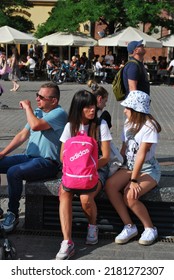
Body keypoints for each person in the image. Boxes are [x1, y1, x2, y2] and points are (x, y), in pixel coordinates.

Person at [0, 83, 68, 232]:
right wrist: (3, 153)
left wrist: (28, 108)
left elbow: (36, 126)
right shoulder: (38, 111)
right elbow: (22, 135)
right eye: (37, 95)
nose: (37, 98)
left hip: (47, 162)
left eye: (41, 97)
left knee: (14, 172)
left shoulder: (59, 113)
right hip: (29, 157)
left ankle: (12, 213)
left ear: (54, 100)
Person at [56, 89, 112, 260]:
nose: (92, 110)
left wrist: (88, 167)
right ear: (78, 108)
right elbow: (62, 156)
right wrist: (77, 168)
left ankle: (92, 225)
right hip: (74, 172)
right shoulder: (70, 126)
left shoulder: (100, 125)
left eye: (93, 106)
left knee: (85, 199)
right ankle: (67, 242)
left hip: (97, 170)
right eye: (87, 107)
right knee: (64, 193)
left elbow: (106, 157)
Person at [105, 90, 161, 246]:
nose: (124, 110)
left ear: (136, 109)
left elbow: (141, 155)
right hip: (129, 166)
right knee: (110, 186)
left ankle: (150, 228)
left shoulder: (149, 126)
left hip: (148, 169)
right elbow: (125, 148)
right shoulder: (128, 123)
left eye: (127, 107)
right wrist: (120, 166)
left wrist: (134, 180)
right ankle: (129, 226)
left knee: (129, 195)